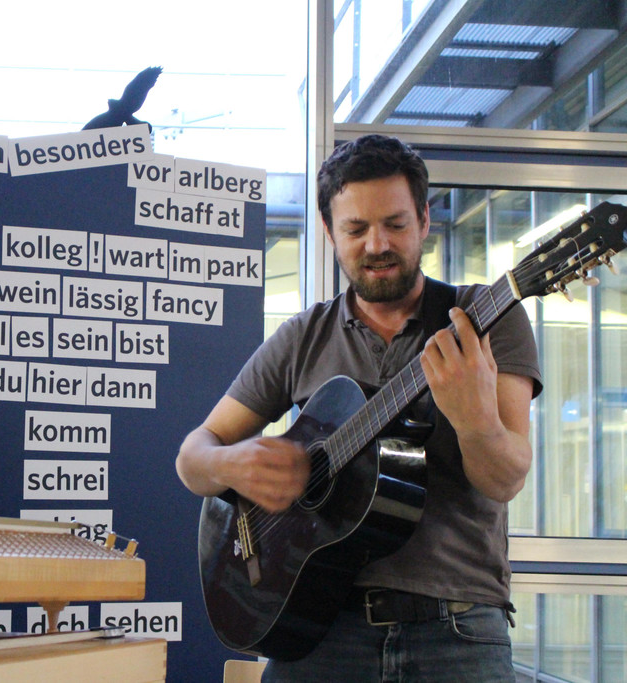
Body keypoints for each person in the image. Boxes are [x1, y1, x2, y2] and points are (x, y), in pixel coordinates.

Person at [176, 134, 542, 681]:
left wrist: (475, 420)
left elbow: (505, 479)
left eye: (395, 224)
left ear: (424, 220)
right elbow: (193, 456)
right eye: (355, 229)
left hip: (458, 631)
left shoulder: (482, 321)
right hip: (318, 630)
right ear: (328, 232)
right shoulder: (304, 336)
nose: (377, 245)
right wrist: (232, 464)